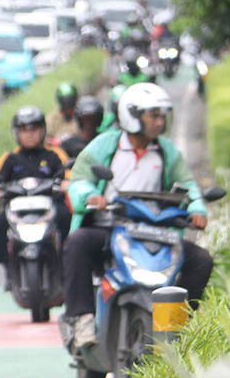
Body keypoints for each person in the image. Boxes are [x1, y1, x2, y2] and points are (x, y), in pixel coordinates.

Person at [61, 82, 212, 351]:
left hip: (152, 229)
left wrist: (197, 210)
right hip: (110, 225)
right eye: (153, 115)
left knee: (200, 260)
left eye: (162, 115)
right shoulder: (105, 145)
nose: (160, 121)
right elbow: (80, 179)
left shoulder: (166, 151)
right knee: (78, 243)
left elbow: (187, 185)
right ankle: (81, 318)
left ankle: (177, 326)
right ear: (132, 116)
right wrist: (90, 197)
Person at [0, 106, 70, 290]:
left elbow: (68, 175)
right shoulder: (10, 159)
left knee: (66, 217)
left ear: (43, 130)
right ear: (17, 133)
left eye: (34, 129)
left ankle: (65, 265)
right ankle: (7, 268)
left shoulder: (55, 155)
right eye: (24, 130)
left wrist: (66, 183)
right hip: (19, 211)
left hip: (49, 208)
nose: (29, 134)